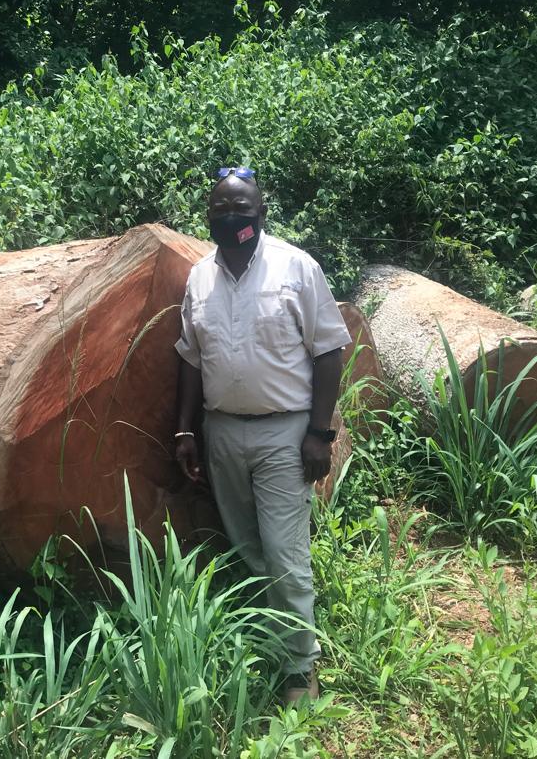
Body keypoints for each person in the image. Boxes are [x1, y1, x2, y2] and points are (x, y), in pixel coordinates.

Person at [173, 166, 351, 705]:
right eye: (222, 210)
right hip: (222, 431)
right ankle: (273, 635)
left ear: (262, 211)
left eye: (241, 208)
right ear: (208, 217)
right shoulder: (199, 278)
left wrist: (320, 432)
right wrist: (185, 428)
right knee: (248, 545)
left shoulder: (296, 268)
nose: (232, 218)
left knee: (284, 550)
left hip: (284, 432)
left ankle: (301, 667)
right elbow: (190, 358)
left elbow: (329, 350)